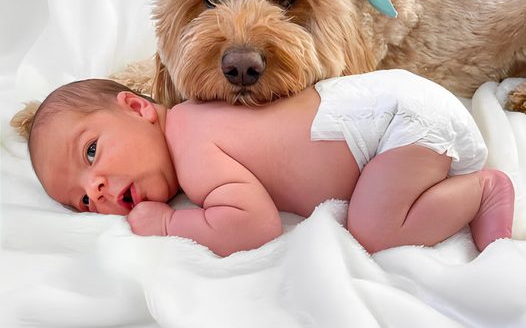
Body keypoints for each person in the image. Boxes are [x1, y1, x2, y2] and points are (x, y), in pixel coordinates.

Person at [26, 70, 514, 257]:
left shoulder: (192, 148)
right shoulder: (197, 117)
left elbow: (255, 226)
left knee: (374, 229)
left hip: (392, 124)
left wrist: (171, 221)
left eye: (91, 152)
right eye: (84, 201)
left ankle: (484, 190)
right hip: (386, 106)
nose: (99, 190)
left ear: (137, 108)